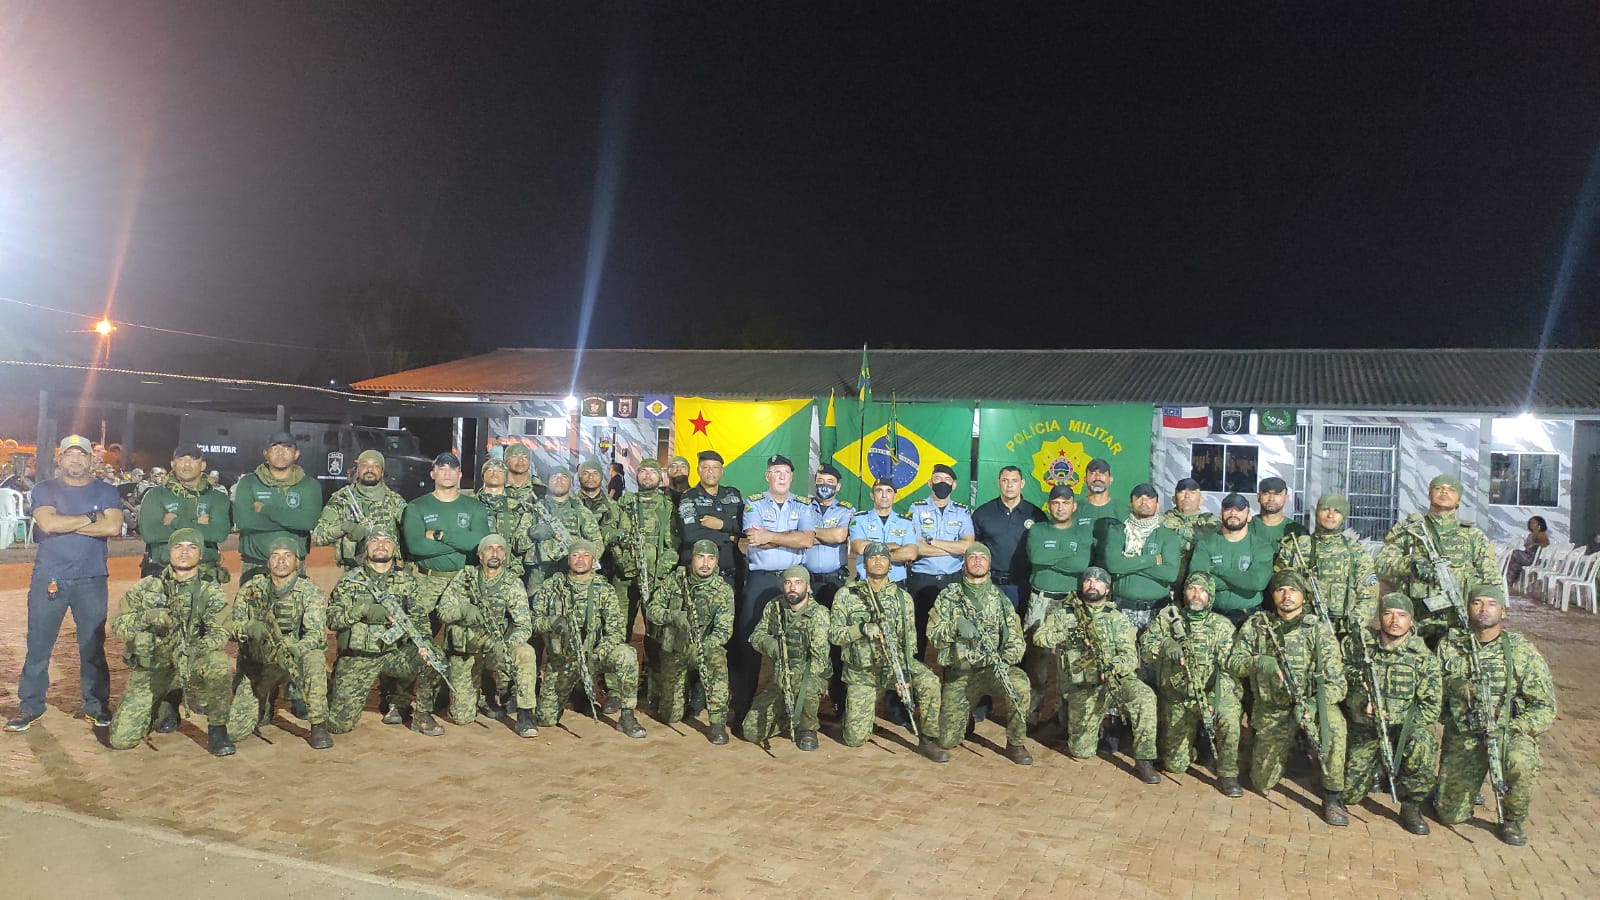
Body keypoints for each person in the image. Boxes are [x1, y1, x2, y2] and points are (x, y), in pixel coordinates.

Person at [8, 435, 122, 733]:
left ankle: (96, 705)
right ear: (60, 459)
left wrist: (66, 523)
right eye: (69, 454)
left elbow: (112, 526)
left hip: (92, 577)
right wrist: (89, 518)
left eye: (81, 454)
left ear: (90, 460)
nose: (75, 459)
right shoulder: (45, 488)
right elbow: (48, 524)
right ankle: (30, 705)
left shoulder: (106, 490)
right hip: (50, 578)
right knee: (39, 645)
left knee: (92, 645)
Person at [1435, 582, 1556, 846]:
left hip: (1506, 731)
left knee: (1521, 762)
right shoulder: (1451, 645)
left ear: (1503, 612)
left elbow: (1545, 707)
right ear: (1467, 609)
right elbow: (1432, 685)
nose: (1483, 609)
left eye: (1492, 604)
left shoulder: (1520, 650)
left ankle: (1512, 819)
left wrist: (1514, 728)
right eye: (1477, 602)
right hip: (1465, 733)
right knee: (1449, 814)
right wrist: (1454, 685)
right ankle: (1466, 785)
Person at [1226, 570, 1350, 825]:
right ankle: (1291, 752)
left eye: (1293, 590)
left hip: (1311, 708)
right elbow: (1235, 663)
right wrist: (1259, 662)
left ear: (1304, 596)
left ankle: (1333, 796)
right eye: (1280, 589)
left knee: (1335, 728)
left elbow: (1338, 682)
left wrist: (1315, 704)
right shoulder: (1258, 625)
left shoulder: (1317, 630)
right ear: (1273, 595)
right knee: (1261, 781)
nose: (1286, 595)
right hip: (1272, 709)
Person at [106, 529, 235, 755]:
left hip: (191, 661)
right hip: (154, 667)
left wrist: (194, 649)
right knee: (121, 740)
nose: (184, 552)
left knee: (218, 663)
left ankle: (217, 730)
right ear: (169, 552)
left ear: (201, 555)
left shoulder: (209, 589)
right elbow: (118, 624)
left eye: (191, 547)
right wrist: (147, 617)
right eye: (178, 547)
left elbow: (220, 632)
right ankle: (164, 702)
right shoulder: (148, 586)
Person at [1035, 567, 1161, 783]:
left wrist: (1113, 666)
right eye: (1088, 581)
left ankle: (1144, 760)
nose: (1092, 584)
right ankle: (1085, 729)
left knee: (1145, 697)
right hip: (1083, 685)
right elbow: (1040, 638)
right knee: (1081, 751)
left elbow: (1130, 658)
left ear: (1107, 589)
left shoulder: (1117, 618)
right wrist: (1067, 632)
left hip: (1115, 680)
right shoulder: (1064, 614)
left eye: (1098, 582)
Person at [829, 542, 947, 761]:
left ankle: (928, 739)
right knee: (855, 739)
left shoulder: (903, 597)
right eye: (872, 557)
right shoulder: (846, 594)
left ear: (890, 565)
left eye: (883, 557)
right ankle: (855, 713)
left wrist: (904, 674)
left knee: (929, 681)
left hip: (894, 666)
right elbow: (835, 635)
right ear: (864, 564)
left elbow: (910, 642)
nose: (877, 561)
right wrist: (861, 629)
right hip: (862, 672)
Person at [325, 526, 445, 736]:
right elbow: (332, 619)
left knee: (434, 656)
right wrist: (364, 610)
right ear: (366, 547)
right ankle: (333, 689)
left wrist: (424, 644)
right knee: (338, 726)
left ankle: (420, 713)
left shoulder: (407, 581)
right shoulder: (350, 580)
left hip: (393, 654)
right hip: (358, 657)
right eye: (375, 541)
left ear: (394, 549)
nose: (381, 545)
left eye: (387, 541)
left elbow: (419, 620)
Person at [1342, 593, 1441, 835]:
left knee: (1423, 741)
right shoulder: (1362, 647)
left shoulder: (1423, 659)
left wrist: (1397, 721)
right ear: (1379, 617)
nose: (1394, 620)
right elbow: (1342, 674)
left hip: (1402, 731)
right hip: (1367, 728)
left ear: (1411, 620)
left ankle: (1412, 804)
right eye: (1388, 613)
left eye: (1402, 615)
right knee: (1349, 794)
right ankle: (1376, 771)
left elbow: (1431, 706)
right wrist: (1362, 702)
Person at [1138, 573, 1243, 796]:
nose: (1196, 595)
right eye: (1192, 589)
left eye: (1202, 590)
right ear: (1184, 592)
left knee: (1230, 717)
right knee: (1175, 765)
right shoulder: (1168, 617)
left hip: (1210, 695)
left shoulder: (1222, 626)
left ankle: (1228, 774)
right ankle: (1191, 749)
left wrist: (1214, 699)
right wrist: (1166, 644)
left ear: (1210, 596)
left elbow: (1230, 670)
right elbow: (1146, 648)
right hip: (1176, 695)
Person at [927, 543, 1032, 764]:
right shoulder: (948, 596)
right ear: (964, 563)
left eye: (982, 557)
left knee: (1019, 685)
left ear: (989, 564)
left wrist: (1004, 661)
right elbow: (934, 636)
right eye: (972, 557)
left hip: (993, 670)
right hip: (961, 674)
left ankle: (1015, 743)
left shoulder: (1000, 599)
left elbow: (1016, 639)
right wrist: (956, 625)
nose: (977, 560)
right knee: (946, 740)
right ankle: (963, 719)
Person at [224, 537, 332, 749]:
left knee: (315, 658)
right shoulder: (251, 589)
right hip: (259, 661)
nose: (281, 561)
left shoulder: (309, 592)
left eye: (287, 556)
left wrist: (296, 648)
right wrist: (248, 628)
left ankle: (318, 724)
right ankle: (264, 703)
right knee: (235, 731)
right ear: (268, 562)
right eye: (275, 556)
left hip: (293, 658)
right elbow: (231, 627)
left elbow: (316, 634)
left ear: (297, 562)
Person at [531, 541, 647, 738]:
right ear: (568, 559)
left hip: (594, 655)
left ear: (593, 560)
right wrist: (553, 622)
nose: (580, 560)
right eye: (575, 555)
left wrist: (596, 654)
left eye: (586, 555)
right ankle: (575, 694)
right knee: (546, 719)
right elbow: (533, 621)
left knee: (627, 655)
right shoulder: (553, 586)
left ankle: (627, 716)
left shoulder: (604, 589)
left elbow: (616, 631)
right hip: (563, 661)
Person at [732, 455, 815, 725]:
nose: (781, 476)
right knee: (749, 643)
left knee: (797, 642)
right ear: (767, 476)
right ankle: (742, 708)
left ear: (792, 477)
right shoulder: (754, 503)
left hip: (793, 580)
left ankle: (796, 710)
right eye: (775, 472)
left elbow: (807, 540)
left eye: (786, 472)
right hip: (761, 579)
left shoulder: (804, 505)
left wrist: (772, 536)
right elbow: (756, 539)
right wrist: (788, 537)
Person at [1376, 474, 1501, 646]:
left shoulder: (1472, 535)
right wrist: (1410, 564)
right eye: (1438, 488)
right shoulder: (1411, 530)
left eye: (1451, 489)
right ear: (1429, 495)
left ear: (1458, 500)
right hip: (1416, 621)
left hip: (1458, 620)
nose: (1444, 491)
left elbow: (1491, 577)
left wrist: (1496, 611)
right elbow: (1381, 564)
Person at [436, 534, 538, 736]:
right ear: (480, 555)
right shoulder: (465, 577)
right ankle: (479, 693)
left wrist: (507, 645)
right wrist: (463, 611)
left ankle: (525, 715)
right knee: (462, 717)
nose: (495, 553)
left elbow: (524, 625)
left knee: (525, 652)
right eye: (489, 548)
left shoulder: (511, 582)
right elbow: (443, 611)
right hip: (466, 651)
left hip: (495, 649)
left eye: (500, 549)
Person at [646, 539, 734, 743]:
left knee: (717, 662)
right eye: (700, 557)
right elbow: (652, 610)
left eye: (711, 559)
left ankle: (717, 722)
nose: (705, 563)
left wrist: (703, 647)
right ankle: (679, 698)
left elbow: (723, 631)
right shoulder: (675, 580)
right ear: (692, 559)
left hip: (703, 648)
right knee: (670, 716)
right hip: (675, 648)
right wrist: (673, 616)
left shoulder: (723, 591)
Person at [1023, 484, 1094, 725]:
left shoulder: (1083, 532)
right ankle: (1031, 714)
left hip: (1070, 602)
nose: (1060, 507)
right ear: (1049, 505)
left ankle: (1066, 719)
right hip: (1041, 600)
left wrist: (1051, 559)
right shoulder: (1038, 530)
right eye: (1055, 503)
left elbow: (1081, 563)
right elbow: (1036, 558)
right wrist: (1066, 555)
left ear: (1074, 506)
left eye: (1065, 503)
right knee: (1036, 658)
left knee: (1070, 659)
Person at [742, 565, 831, 750]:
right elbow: (755, 636)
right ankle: (788, 719)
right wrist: (770, 645)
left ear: (807, 587)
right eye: (788, 582)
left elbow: (819, 660)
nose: (792, 587)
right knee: (751, 732)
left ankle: (807, 728)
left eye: (798, 583)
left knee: (807, 691)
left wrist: (794, 681)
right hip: (780, 678)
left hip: (808, 677)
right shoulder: (775, 607)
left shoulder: (819, 613)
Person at [614, 458, 679, 707]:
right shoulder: (624, 503)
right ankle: (616, 690)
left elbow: (675, 544)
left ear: (660, 477)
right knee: (620, 632)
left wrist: (661, 572)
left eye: (653, 472)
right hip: (626, 578)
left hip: (657, 582)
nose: (648, 476)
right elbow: (612, 534)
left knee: (657, 635)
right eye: (643, 472)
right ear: (637, 476)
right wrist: (624, 563)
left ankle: (654, 690)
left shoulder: (668, 505)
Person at [1276, 493, 1378, 639]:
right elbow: (1279, 588)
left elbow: (1369, 595)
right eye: (1325, 509)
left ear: (1344, 516)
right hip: (1301, 630)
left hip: (1343, 631)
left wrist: (1353, 625)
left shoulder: (1355, 551)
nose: (1330, 515)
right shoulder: (1297, 547)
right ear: (1317, 512)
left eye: (1337, 511)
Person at [232, 432, 323, 584]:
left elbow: (308, 522)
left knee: (292, 608)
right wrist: (293, 519)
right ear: (265, 454)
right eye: (275, 448)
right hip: (255, 565)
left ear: (296, 454)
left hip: (292, 565)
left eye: (287, 448)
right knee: (250, 608)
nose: (281, 453)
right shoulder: (249, 482)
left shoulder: (309, 485)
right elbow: (244, 521)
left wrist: (266, 510)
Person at [906, 463, 976, 658]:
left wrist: (933, 542)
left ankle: (951, 686)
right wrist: (952, 548)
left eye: (947, 480)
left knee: (952, 635)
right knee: (916, 633)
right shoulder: (917, 509)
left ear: (954, 485)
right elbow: (915, 548)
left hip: (952, 582)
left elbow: (967, 547)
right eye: (937, 479)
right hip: (921, 580)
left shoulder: (962, 512)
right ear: (930, 482)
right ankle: (913, 682)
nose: (942, 483)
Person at [802, 463, 855, 716]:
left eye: (830, 481)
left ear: (838, 486)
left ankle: (838, 699)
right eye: (820, 479)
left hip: (835, 584)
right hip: (808, 582)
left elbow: (839, 536)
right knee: (807, 638)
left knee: (836, 641)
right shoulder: (802, 506)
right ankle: (806, 698)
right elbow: (797, 535)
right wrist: (812, 534)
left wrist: (809, 533)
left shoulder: (846, 509)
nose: (824, 484)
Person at [137, 444, 233, 582]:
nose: (187, 464)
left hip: (204, 574)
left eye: (193, 459)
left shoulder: (217, 497)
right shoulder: (155, 495)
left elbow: (219, 534)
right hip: (162, 572)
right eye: (181, 459)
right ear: (172, 464)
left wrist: (175, 521)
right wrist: (199, 527)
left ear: (203, 465)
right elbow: (150, 534)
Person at [311, 449, 407, 572]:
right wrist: (344, 527)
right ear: (358, 469)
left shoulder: (394, 501)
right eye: (364, 465)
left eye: (375, 466)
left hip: (388, 572)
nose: (370, 470)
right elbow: (317, 537)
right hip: (354, 574)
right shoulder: (341, 499)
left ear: (382, 472)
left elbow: (411, 531)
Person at [1189, 493, 1275, 628]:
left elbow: (1257, 582)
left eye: (1239, 509)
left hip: (1250, 619)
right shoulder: (1205, 544)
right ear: (1220, 513)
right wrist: (1243, 581)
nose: (1233, 513)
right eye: (1228, 509)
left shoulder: (1261, 547)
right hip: (1212, 617)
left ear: (1249, 516)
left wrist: (1217, 570)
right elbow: (1199, 583)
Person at [1103, 484, 1182, 630]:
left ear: (1157, 505)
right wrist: (1153, 560)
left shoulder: (1168, 536)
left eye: (1149, 498)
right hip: (1121, 608)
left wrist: (1128, 562)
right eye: (1138, 497)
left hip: (1158, 610)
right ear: (1131, 503)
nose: (1144, 501)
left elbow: (1170, 574)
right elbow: (1113, 565)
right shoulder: (1117, 532)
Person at [972, 465, 1046, 615]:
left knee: (1020, 635)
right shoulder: (983, 513)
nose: (1010, 485)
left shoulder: (1036, 515)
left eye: (1014, 480)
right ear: (998, 482)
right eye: (1005, 480)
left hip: (1023, 587)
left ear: (1022, 483)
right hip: (990, 585)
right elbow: (974, 548)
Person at [517, 466, 602, 594]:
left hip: (572, 574)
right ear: (548, 482)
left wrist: (585, 562)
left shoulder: (581, 512)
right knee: (535, 610)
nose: (559, 480)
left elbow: (597, 542)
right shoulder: (534, 510)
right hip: (540, 573)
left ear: (570, 483)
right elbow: (518, 545)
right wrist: (532, 535)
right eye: (554, 477)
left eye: (564, 477)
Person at [676, 450, 743, 578]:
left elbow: (745, 526)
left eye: (715, 467)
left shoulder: (733, 494)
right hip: (701, 576)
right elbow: (690, 534)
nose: (711, 471)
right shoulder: (688, 497)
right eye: (705, 467)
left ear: (721, 471)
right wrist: (730, 537)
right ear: (698, 470)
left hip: (733, 572)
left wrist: (721, 524)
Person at [847, 478, 917, 582]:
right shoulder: (859, 519)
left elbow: (911, 553)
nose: (884, 495)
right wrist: (892, 547)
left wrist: (873, 554)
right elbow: (860, 547)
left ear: (894, 496)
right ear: (872, 496)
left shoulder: (906, 522)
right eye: (879, 490)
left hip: (895, 584)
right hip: (866, 582)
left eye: (889, 491)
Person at [1160, 478, 1219, 588]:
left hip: (1198, 586)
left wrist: (1178, 533)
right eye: (1182, 492)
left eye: (1192, 492)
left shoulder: (1211, 521)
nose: (1187, 496)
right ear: (1173, 498)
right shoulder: (1160, 520)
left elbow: (1210, 545)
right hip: (1167, 583)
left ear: (1201, 500)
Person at [1075, 459, 1129, 568]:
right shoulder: (1075, 508)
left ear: (1110, 479)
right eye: (1092, 473)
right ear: (1085, 479)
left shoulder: (1123, 510)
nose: (1097, 477)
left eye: (1103, 473)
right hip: (1080, 572)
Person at [1248, 476, 1305, 549]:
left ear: (1286, 498)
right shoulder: (1246, 527)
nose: (1271, 499)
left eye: (1277, 494)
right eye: (1266, 494)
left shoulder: (1296, 530)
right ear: (1258, 497)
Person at [1505, 516, 1549, 585]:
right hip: (1526, 555)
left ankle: (1509, 580)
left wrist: (1535, 544)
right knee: (1514, 562)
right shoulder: (1531, 534)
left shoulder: (1540, 534)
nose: (1532, 524)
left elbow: (1546, 543)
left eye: (1534, 522)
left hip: (1530, 558)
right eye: (1531, 522)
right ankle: (1509, 580)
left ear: (1539, 524)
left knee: (1514, 553)